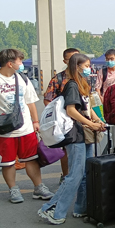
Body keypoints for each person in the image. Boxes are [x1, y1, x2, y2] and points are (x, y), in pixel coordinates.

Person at [38, 53, 106, 224]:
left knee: (84, 173)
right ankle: (54, 210)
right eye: (86, 66)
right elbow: (71, 110)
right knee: (75, 174)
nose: (89, 69)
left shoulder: (82, 83)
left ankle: (81, 208)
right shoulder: (72, 85)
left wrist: (97, 121)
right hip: (75, 134)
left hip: (83, 133)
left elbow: (87, 107)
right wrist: (90, 124)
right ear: (77, 66)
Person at [0, 49, 54, 204]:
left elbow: (30, 102)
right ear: (10, 63)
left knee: (32, 159)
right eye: (19, 61)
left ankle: (39, 187)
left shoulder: (22, 78)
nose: (21, 64)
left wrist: (35, 121)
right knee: (8, 162)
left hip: (25, 128)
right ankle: (13, 189)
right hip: (3, 130)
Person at [43, 47, 80, 179]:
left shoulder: (83, 77)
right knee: (66, 151)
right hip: (66, 122)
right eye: (71, 59)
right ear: (65, 61)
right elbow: (47, 100)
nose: (75, 62)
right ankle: (66, 176)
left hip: (81, 120)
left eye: (77, 58)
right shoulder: (58, 79)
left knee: (81, 151)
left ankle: (80, 178)